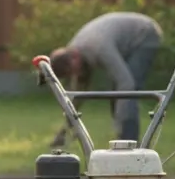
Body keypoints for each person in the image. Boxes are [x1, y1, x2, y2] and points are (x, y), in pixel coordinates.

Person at [46, 11, 163, 149]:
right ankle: (122, 138)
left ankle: (130, 144)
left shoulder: (100, 48)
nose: (76, 74)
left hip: (144, 34)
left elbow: (127, 84)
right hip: (122, 40)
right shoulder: (74, 51)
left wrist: (119, 121)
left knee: (128, 90)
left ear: (74, 58)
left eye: (73, 71)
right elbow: (77, 94)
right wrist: (65, 130)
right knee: (118, 91)